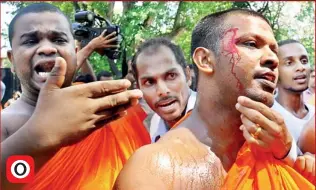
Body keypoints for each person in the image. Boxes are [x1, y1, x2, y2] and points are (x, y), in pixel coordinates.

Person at [114, 9, 314, 189]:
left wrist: (287, 156)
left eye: (274, 50)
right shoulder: (154, 171)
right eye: (251, 44)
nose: (273, 59)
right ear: (205, 60)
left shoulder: (276, 147)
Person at [1, 3, 149, 189]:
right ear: (12, 59)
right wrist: (36, 138)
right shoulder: (5, 124)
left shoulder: (102, 111)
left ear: (76, 53)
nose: (47, 49)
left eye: (59, 40)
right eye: (30, 41)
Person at [131, 38, 196, 142]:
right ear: (139, 90)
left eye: (171, 76)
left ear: (187, 76)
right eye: (149, 82)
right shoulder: (154, 125)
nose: (162, 91)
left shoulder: (219, 115)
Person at [272, 39, 315, 147]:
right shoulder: (267, 116)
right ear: (275, 71)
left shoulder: (313, 114)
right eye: (289, 63)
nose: (301, 67)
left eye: (304, 61)